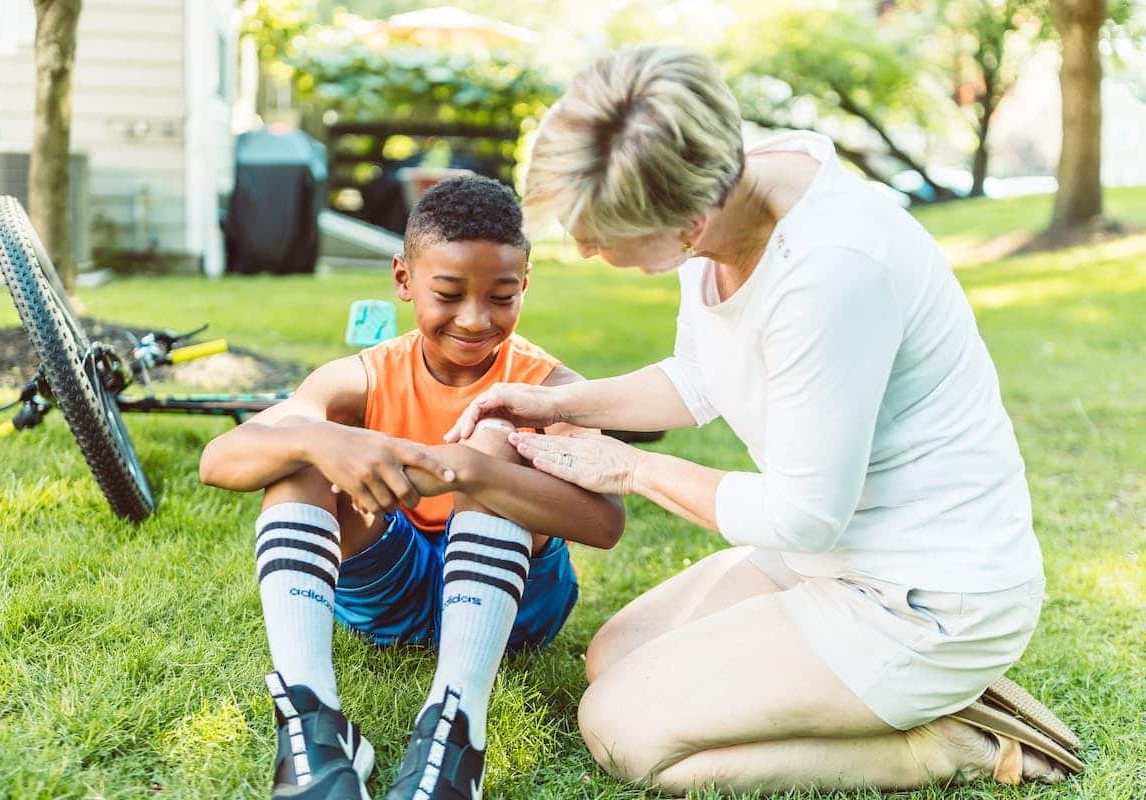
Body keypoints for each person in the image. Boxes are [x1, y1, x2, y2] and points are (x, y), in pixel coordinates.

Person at [445, 46, 1084, 794]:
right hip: (833, 560)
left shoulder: (830, 273)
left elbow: (806, 513)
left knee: (621, 730)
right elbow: (700, 377)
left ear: (688, 221)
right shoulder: (727, 190)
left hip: (924, 601)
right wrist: (556, 404)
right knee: (613, 658)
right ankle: (877, 699)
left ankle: (946, 743)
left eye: (600, 236)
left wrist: (633, 467)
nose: (585, 250)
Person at [200, 175, 624, 800]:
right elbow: (219, 460)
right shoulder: (365, 376)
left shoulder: (552, 387)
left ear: (525, 285)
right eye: (448, 293)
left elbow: (605, 522)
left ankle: (457, 729)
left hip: (517, 603)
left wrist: (468, 469)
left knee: (495, 439)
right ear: (403, 280)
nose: (475, 319)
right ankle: (314, 722)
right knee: (299, 451)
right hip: (390, 588)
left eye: (502, 297)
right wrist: (317, 440)